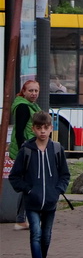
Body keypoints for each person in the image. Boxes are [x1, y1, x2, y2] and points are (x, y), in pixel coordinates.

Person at [9, 111, 71, 258]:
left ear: (51, 128)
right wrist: (28, 190)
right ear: (33, 129)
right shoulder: (26, 150)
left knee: (46, 236)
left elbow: (65, 175)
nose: (42, 131)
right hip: (32, 202)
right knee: (35, 234)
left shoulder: (57, 149)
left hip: (50, 202)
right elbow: (15, 176)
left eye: (46, 128)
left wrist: (57, 190)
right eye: (39, 128)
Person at [8, 80, 42, 231]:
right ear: (24, 91)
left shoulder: (30, 106)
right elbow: (20, 131)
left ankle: (22, 218)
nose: (34, 93)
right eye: (31, 91)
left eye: (36, 91)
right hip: (27, 150)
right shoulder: (23, 107)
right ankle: (21, 219)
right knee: (28, 184)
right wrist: (25, 150)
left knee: (30, 183)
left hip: (29, 149)